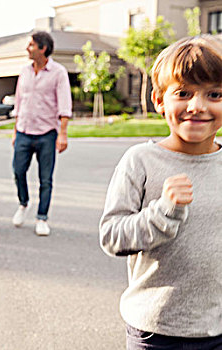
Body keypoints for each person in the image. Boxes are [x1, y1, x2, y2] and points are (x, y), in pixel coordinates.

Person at [99, 35, 222, 350]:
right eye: (183, 93)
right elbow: (112, 237)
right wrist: (162, 212)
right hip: (156, 331)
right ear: (158, 99)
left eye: (214, 94)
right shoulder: (140, 161)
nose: (197, 106)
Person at [11, 31, 72, 236]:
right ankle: (23, 203)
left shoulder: (58, 72)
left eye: (31, 45)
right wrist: (14, 131)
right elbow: (19, 102)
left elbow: (64, 104)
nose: (27, 48)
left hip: (47, 133)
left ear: (42, 48)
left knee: (45, 179)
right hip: (23, 131)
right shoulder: (24, 71)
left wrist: (62, 134)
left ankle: (42, 217)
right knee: (18, 171)